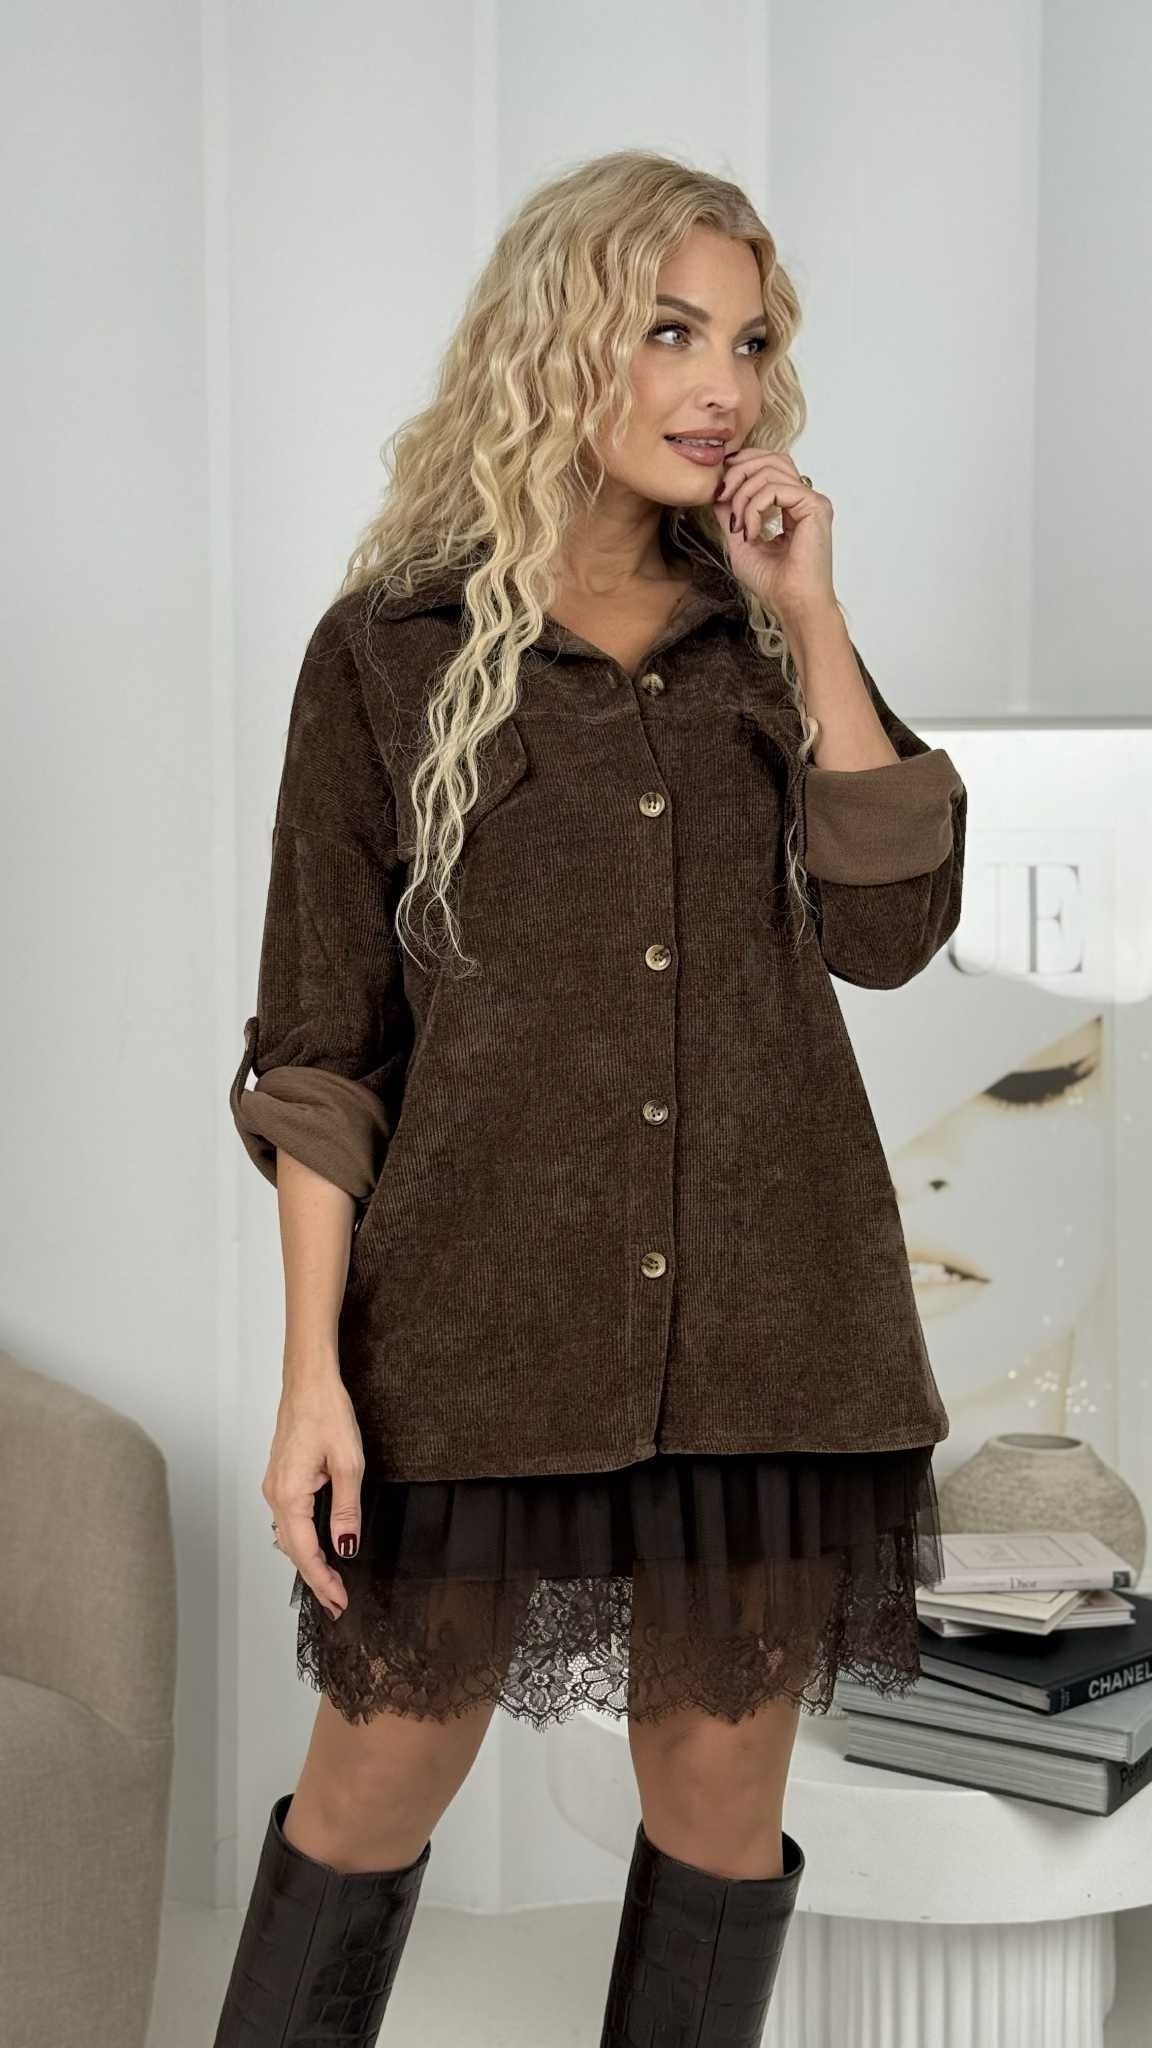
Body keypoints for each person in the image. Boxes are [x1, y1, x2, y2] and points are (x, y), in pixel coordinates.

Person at [213, 147, 965, 2046]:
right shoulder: (386, 653)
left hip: (767, 1333)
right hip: (477, 1335)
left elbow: (892, 935)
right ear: (561, 342)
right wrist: (312, 1378)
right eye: (671, 333)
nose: (723, 385)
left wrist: (813, 616)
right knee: (372, 1788)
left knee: (719, 1810)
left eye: (750, 343)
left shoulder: (768, 639)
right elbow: (321, 1055)